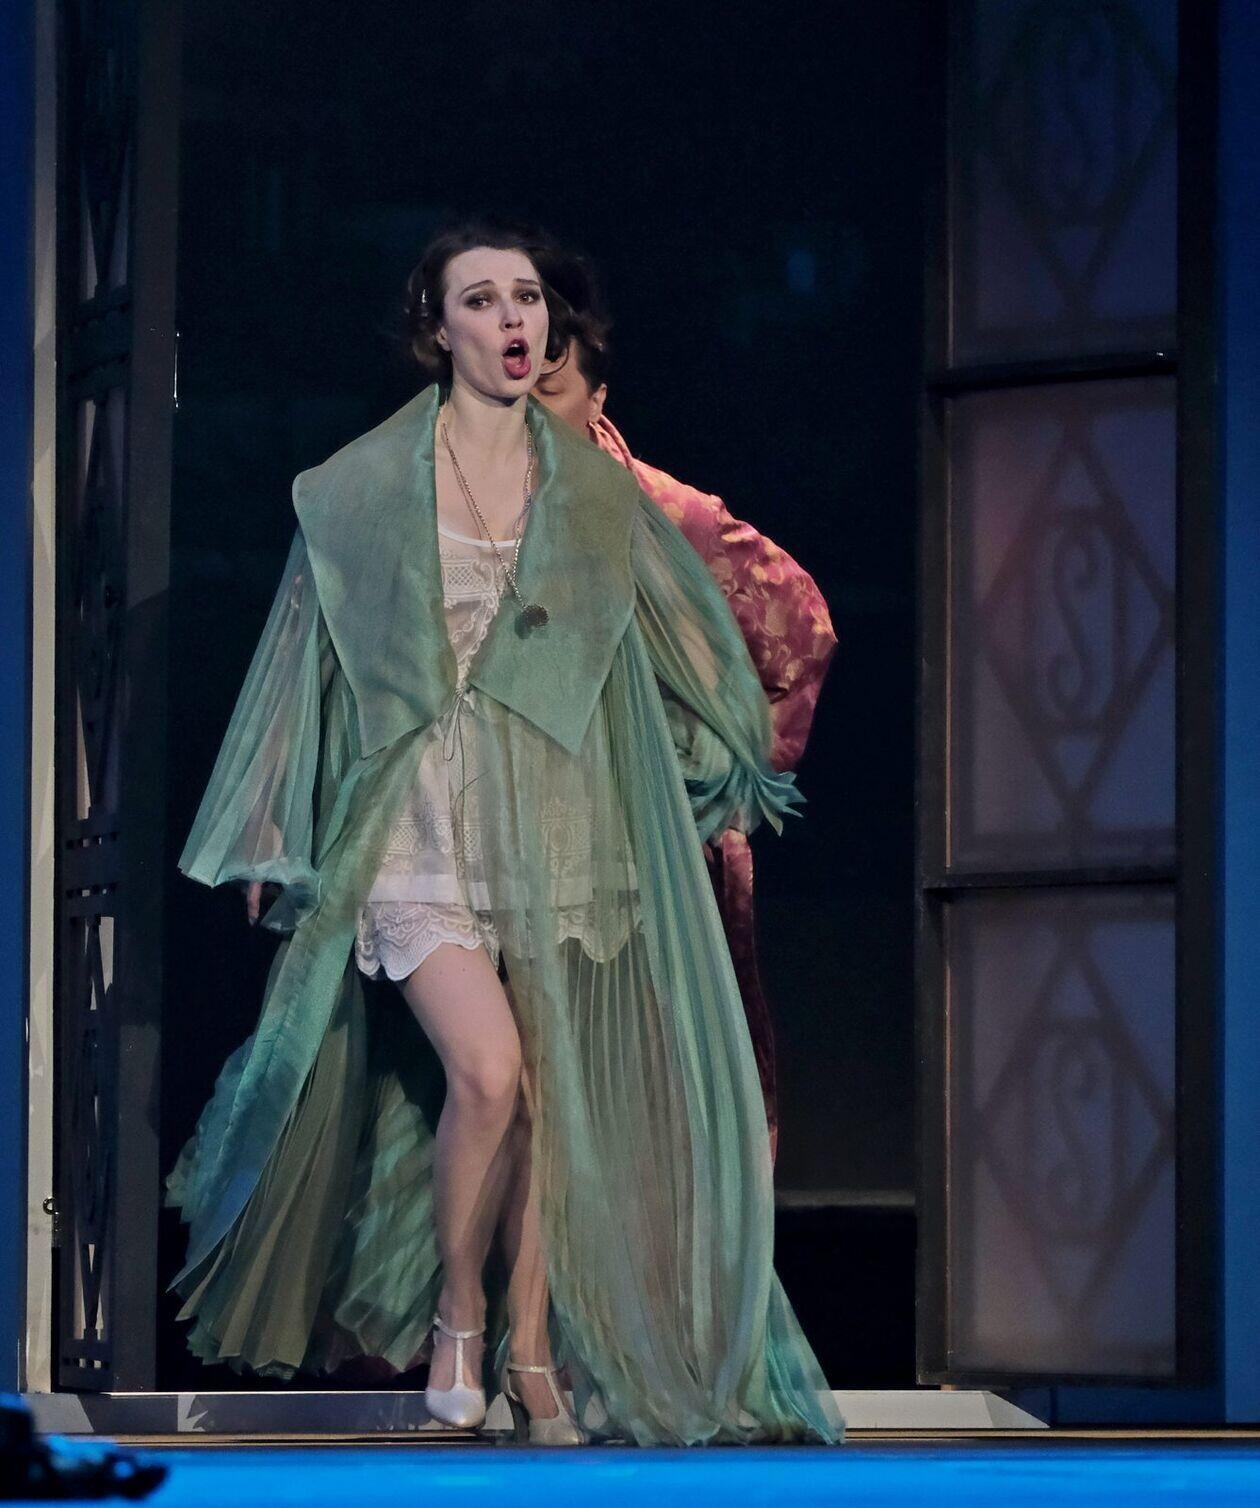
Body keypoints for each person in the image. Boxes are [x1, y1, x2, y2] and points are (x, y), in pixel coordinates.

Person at [163, 219, 845, 1448]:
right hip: (419, 818)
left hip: (558, 820)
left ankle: (530, 1352)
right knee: (488, 1071)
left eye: (526, 297)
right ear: (436, 329)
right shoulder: (360, 486)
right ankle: (460, 1313)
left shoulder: (596, 492)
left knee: (551, 1094)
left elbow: (696, 637)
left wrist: (711, 765)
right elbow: (304, 664)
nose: (514, 319)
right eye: (481, 299)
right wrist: (277, 827)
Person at [531, 252, 838, 1164]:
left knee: (656, 1094)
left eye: (551, 388)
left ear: (597, 399)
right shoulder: (484, 507)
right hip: (529, 827)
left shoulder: (666, 513)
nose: (528, 411)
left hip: (649, 839)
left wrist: (725, 776)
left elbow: (802, 623)